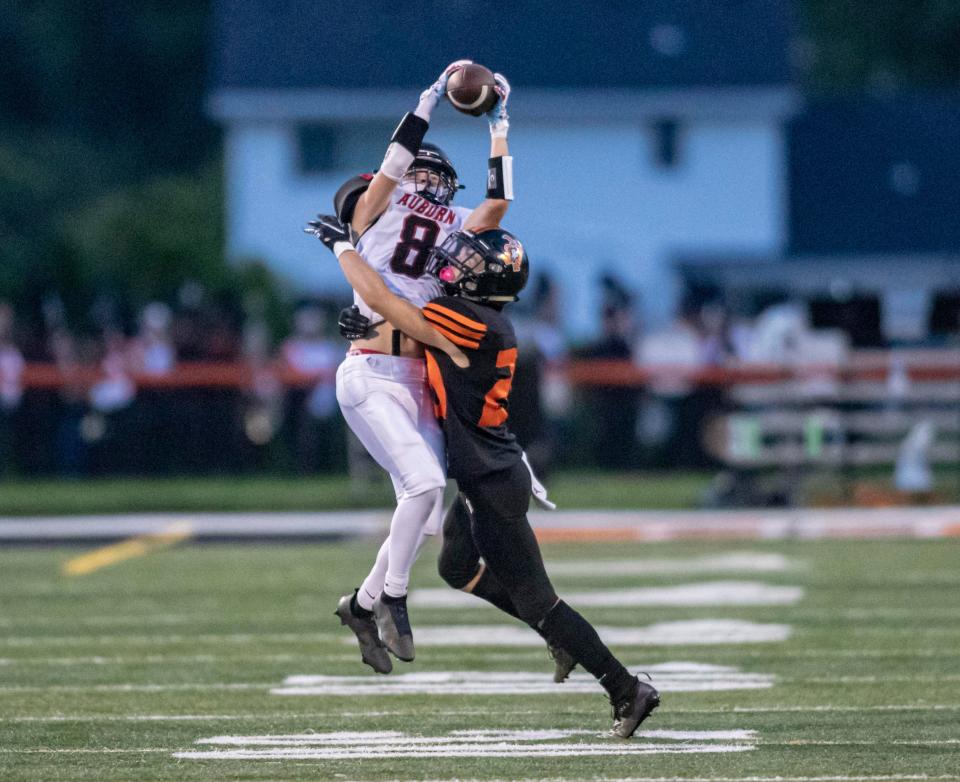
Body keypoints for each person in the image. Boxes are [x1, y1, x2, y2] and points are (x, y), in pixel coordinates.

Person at [307, 216, 661, 738]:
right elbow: (397, 322)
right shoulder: (478, 316)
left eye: (470, 262)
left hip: (491, 481)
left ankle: (625, 688)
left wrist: (344, 251)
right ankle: (559, 636)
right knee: (456, 566)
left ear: (488, 280)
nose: (455, 264)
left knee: (542, 600)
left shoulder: (470, 319)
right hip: (485, 469)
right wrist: (369, 327)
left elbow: (391, 304)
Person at [319, 61, 515, 674]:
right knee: (426, 487)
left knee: (426, 511)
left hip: (417, 379)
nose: (428, 182)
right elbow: (394, 162)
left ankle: (363, 602)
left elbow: (499, 201)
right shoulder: (376, 209)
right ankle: (394, 599)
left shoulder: (454, 228)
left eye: (438, 176)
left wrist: (500, 124)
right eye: (421, 171)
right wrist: (429, 96)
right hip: (372, 371)